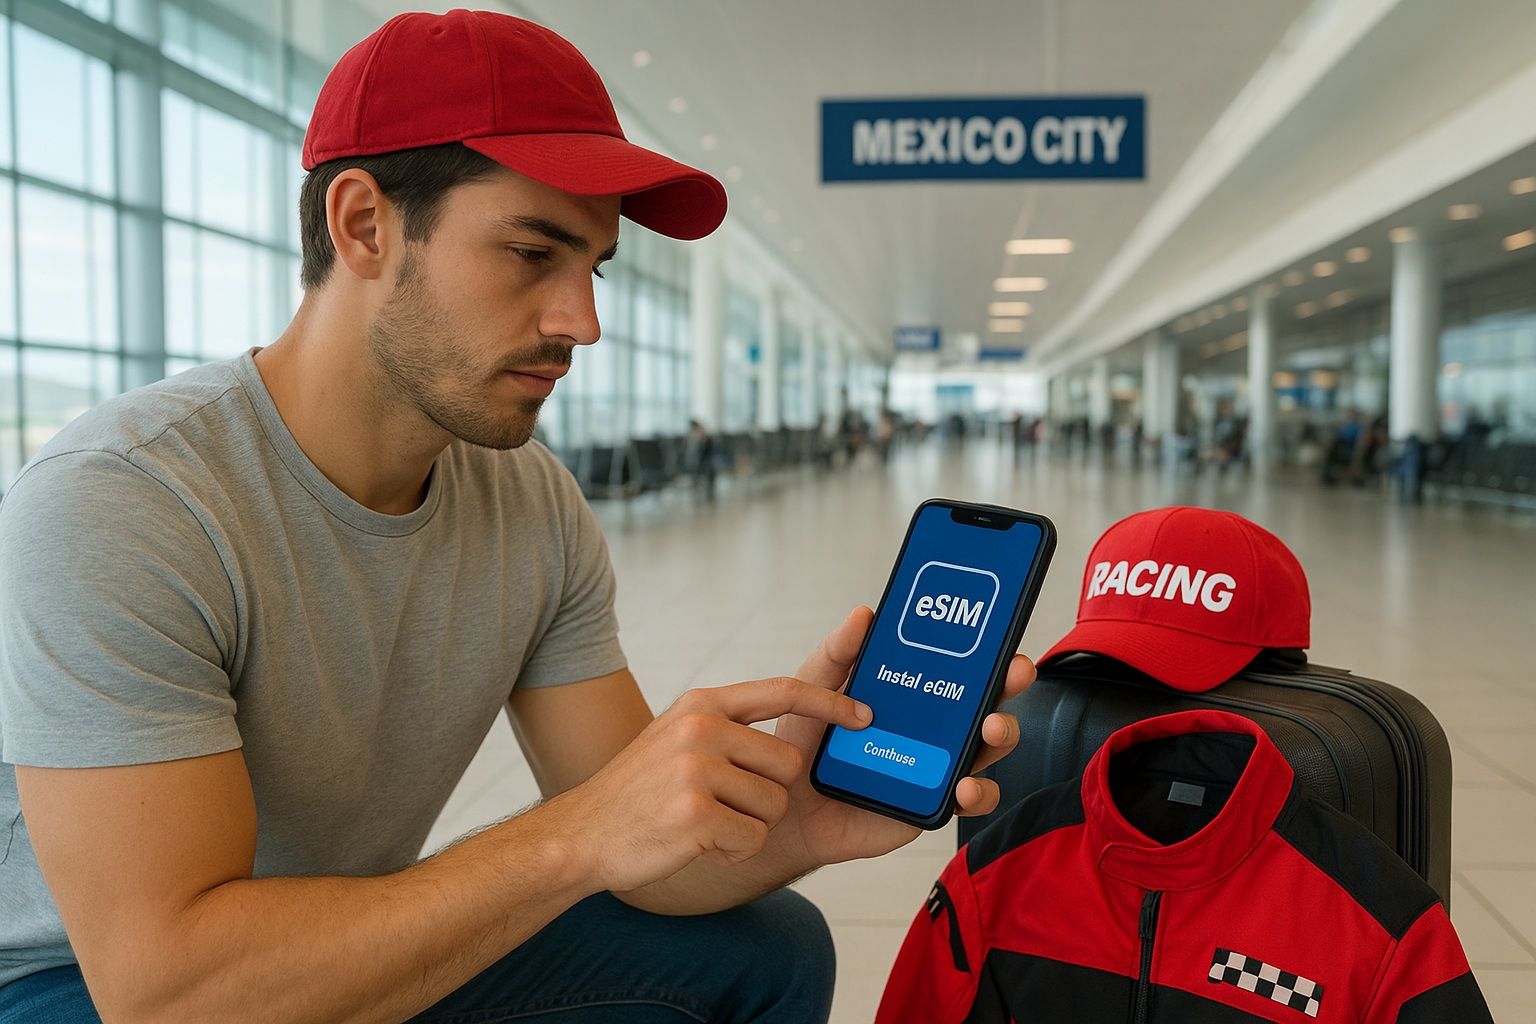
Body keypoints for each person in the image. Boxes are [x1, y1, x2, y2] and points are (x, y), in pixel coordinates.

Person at [0, 12, 1033, 1024]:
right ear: (363, 224)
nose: (580, 322)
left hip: (319, 944)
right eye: (532, 252)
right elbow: (171, 990)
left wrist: (794, 822)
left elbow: (638, 856)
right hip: (72, 985)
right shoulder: (127, 501)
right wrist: (573, 836)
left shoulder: (528, 501)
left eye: (592, 268)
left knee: (768, 949)